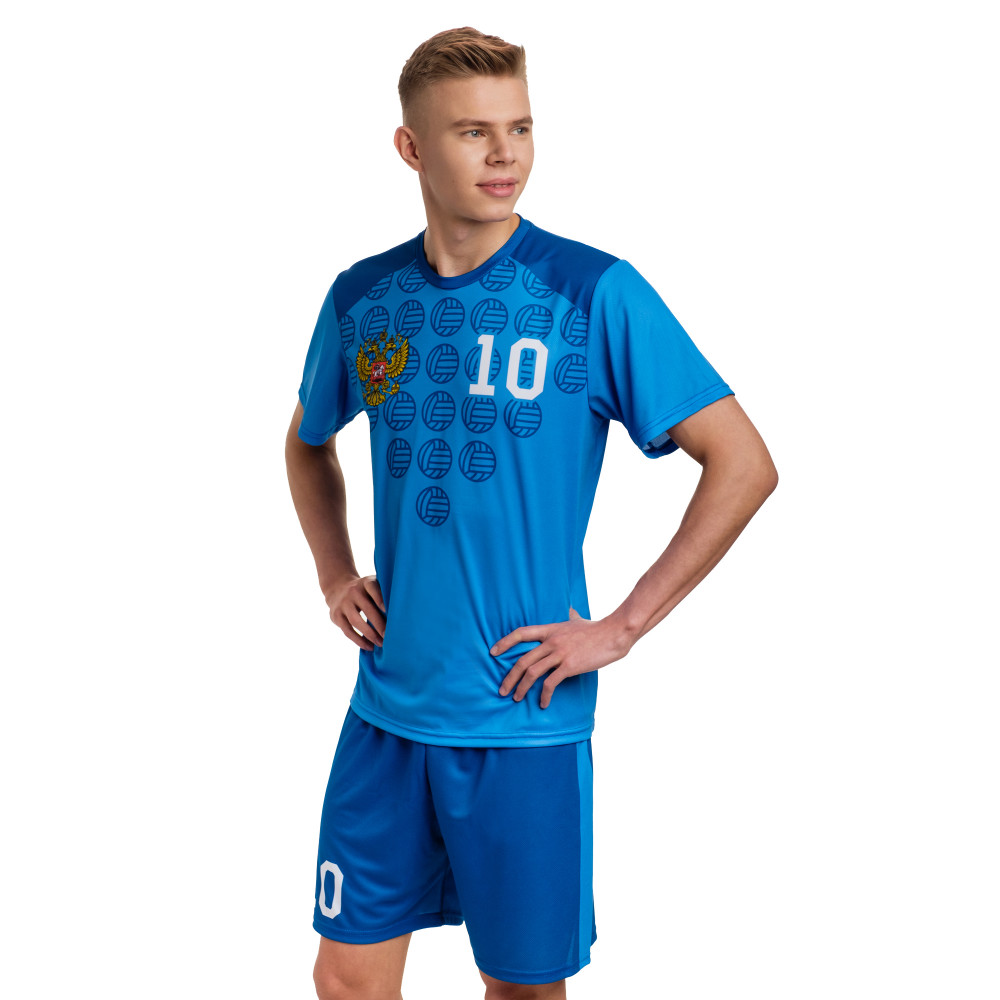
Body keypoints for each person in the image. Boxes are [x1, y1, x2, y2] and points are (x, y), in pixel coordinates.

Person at [285, 25, 778, 1000]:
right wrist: (334, 572)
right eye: (472, 132)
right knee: (346, 980)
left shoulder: (591, 293)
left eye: (519, 127)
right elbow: (306, 442)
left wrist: (622, 627)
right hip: (386, 712)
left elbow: (744, 464)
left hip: (521, 718)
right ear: (411, 148)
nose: (504, 153)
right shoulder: (364, 298)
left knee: (519, 991)